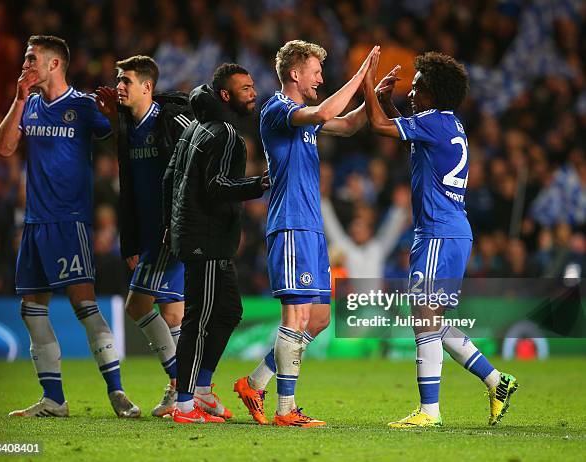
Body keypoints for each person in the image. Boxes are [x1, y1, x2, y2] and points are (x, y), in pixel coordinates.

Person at [362, 49, 518, 428]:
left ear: (433, 93)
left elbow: (381, 128)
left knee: (424, 318)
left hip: (437, 233)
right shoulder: (447, 123)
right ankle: (498, 381)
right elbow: (407, 133)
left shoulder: (431, 121)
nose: (411, 93)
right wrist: (386, 102)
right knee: (432, 319)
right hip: (450, 232)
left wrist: (367, 84)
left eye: (416, 88)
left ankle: (429, 411)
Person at [234, 40, 384, 427]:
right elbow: (324, 111)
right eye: (316, 70)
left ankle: (255, 383)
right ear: (295, 74)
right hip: (290, 225)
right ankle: (286, 409)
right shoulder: (277, 110)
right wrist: (359, 74)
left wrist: (372, 94)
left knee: (317, 319)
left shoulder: (306, 117)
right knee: (297, 316)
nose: (320, 76)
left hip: (312, 228)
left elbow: (349, 124)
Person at [0, 35, 139, 418]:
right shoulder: (30, 105)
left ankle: (118, 393)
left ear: (54, 64)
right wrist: (20, 99)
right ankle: (54, 399)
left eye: (31, 59)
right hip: (35, 224)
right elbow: (4, 148)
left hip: (68, 222)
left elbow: (119, 138)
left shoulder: (83, 105)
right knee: (31, 309)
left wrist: (111, 117)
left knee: (84, 305)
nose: (25, 65)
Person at [165, 63, 269, 424]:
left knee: (228, 312)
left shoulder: (196, 127)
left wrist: (172, 223)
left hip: (202, 237)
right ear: (225, 96)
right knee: (200, 318)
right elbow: (217, 187)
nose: (252, 93)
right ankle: (183, 404)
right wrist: (260, 184)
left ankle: (204, 389)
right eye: (244, 89)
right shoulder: (225, 133)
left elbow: (170, 177)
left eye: (252, 86)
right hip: (205, 240)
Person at [95, 55, 188, 417]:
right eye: (118, 79)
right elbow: (131, 190)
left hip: (168, 233)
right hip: (148, 235)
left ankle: (185, 387)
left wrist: (179, 224)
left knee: (137, 305)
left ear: (147, 87)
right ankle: (187, 393)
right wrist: (131, 241)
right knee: (173, 315)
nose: (119, 86)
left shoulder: (167, 121)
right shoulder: (127, 127)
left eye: (126, 81)